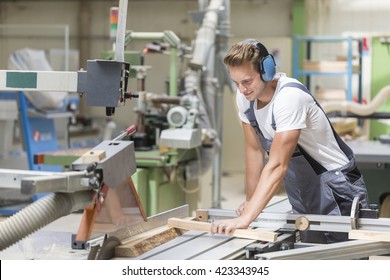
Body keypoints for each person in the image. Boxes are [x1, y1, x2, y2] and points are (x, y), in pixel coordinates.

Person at [210, 39, 369, 243]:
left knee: (343, 258)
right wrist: (250, 202)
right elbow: (254, 150)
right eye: (236, 83)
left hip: (337, 187)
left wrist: (245, 218)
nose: (242, 89)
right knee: (311, 254)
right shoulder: (245, 99)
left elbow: (277, 165)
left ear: (266, 70)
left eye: (247, 81)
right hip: (303, 187)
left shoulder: (289, 97)